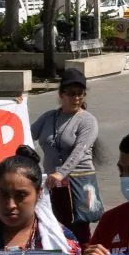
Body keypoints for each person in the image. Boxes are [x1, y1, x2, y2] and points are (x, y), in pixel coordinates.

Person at [33, 67, 102, 242]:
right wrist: (15, 108)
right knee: (53, 227)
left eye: (81, 93)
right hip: (53, 183)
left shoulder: (87, 120)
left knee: (79, 230)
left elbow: (80, 150)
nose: (77, 98)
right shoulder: (48, 117)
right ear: (61, 94)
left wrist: (61, 173)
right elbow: (25, 133)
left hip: (78, 182)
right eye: (71, 93)